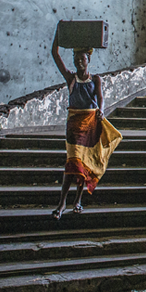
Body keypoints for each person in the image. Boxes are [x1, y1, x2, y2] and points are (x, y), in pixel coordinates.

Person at [51, 29, 123, 219]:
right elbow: (55, 54)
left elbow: (100, 98)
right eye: (76, 60)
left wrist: (101, 110)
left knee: (83, 166)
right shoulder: (70, 78)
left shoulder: (96, 79)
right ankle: (62, 203)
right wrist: (59, 32)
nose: (78, 62)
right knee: (72, 163)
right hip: (74, 126)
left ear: (88, 60)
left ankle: (78, 200)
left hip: (90, 125)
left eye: (82, 59)